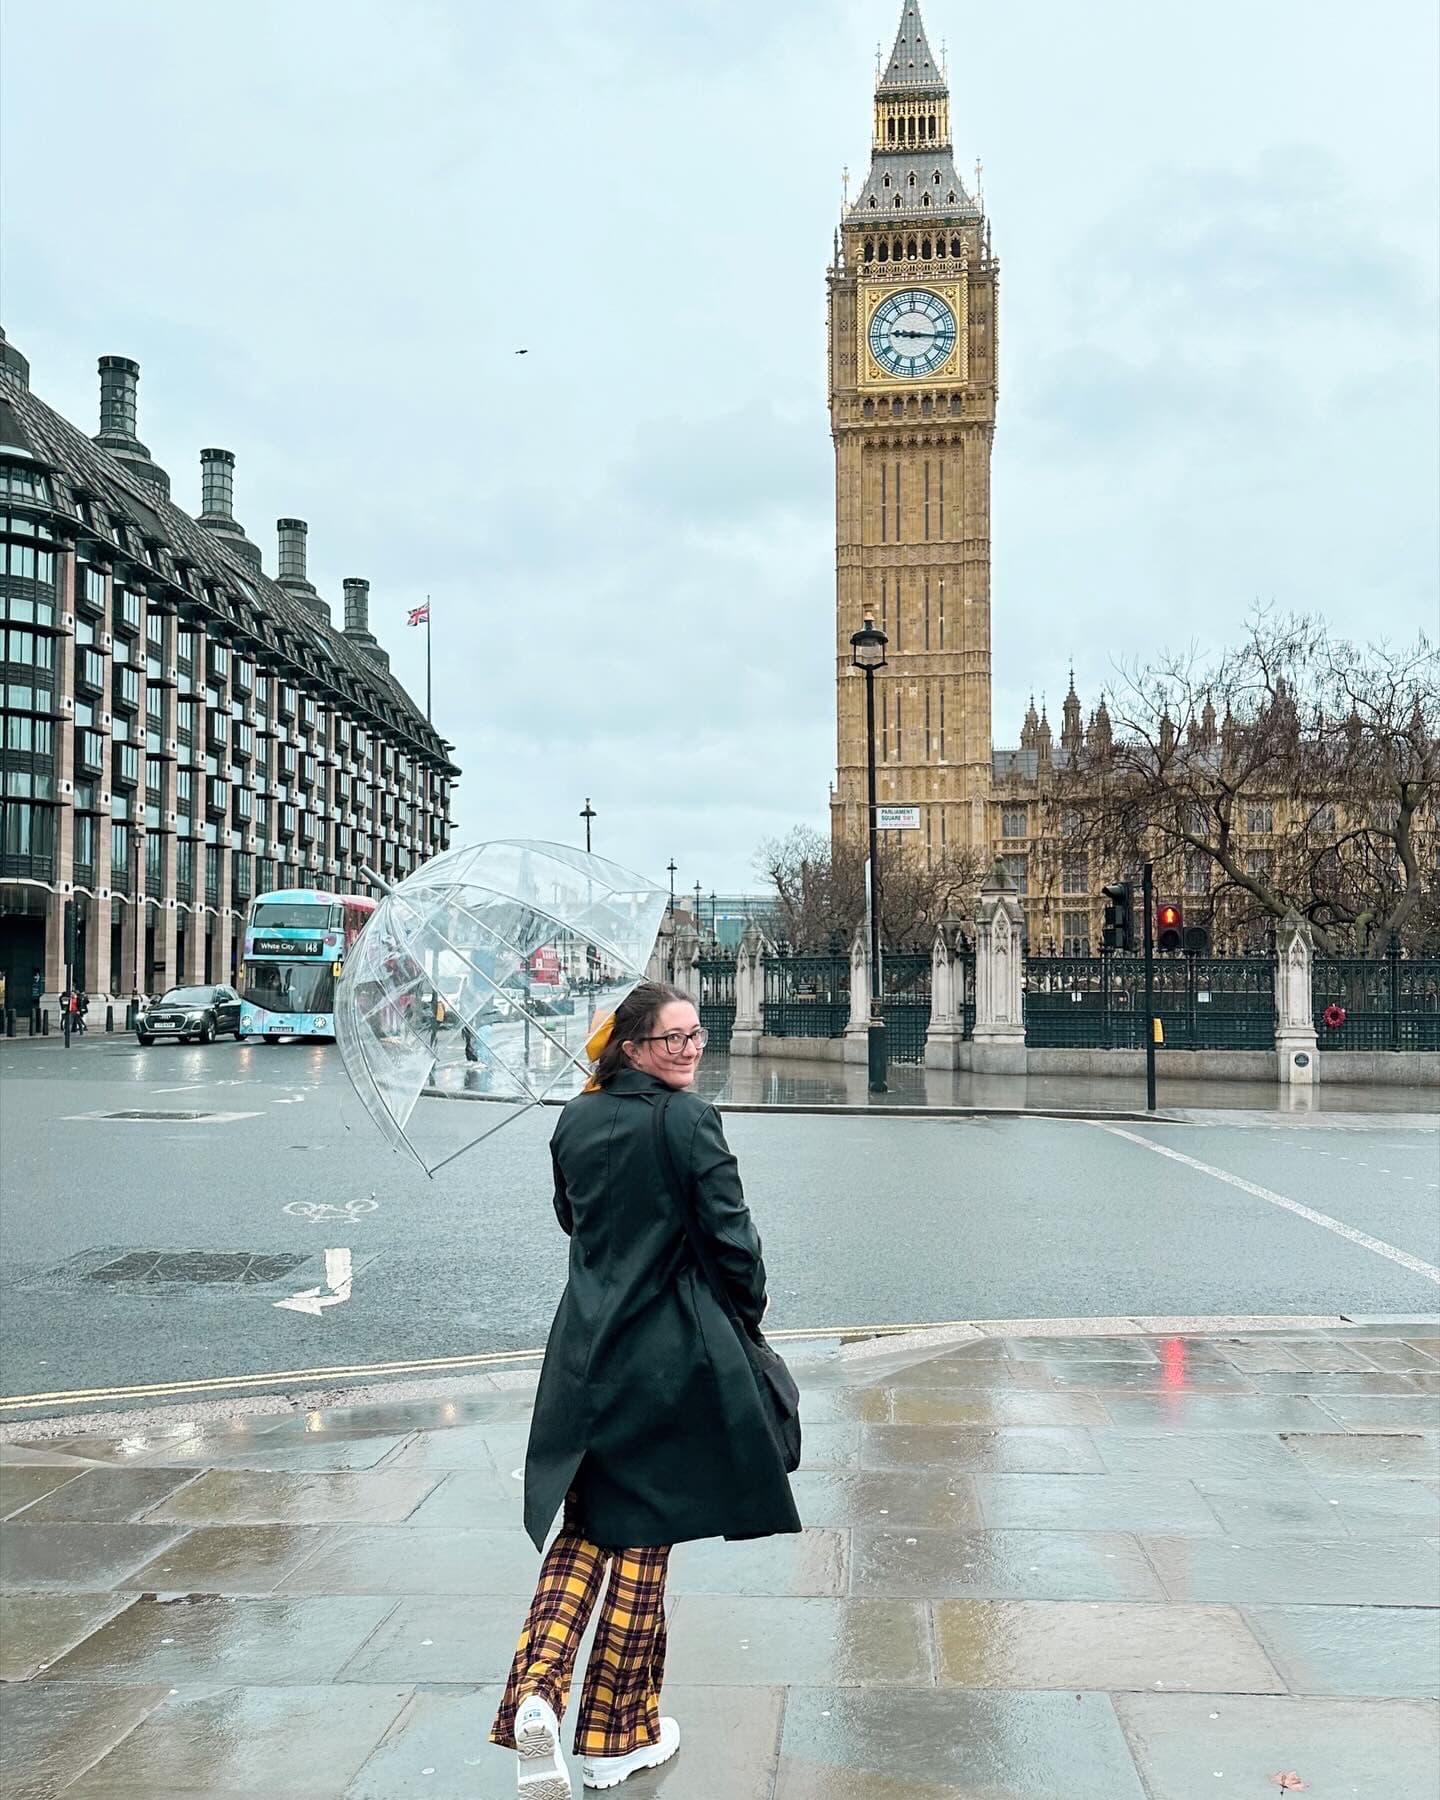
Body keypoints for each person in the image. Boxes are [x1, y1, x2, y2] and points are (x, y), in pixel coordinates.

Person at [490, 981, 799, 1796]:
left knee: (587, 1522)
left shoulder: (575, 1119)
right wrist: (750, 1316)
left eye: (698, 1034)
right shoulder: (690, 1122)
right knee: (643, 1539)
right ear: (631, 1048)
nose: (691, 1050)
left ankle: (535, 1696)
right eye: (673, 1040)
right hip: (671, 1353)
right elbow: (734, 1242)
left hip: (586, 1349)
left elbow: (572, 1218)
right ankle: (614, 1736)